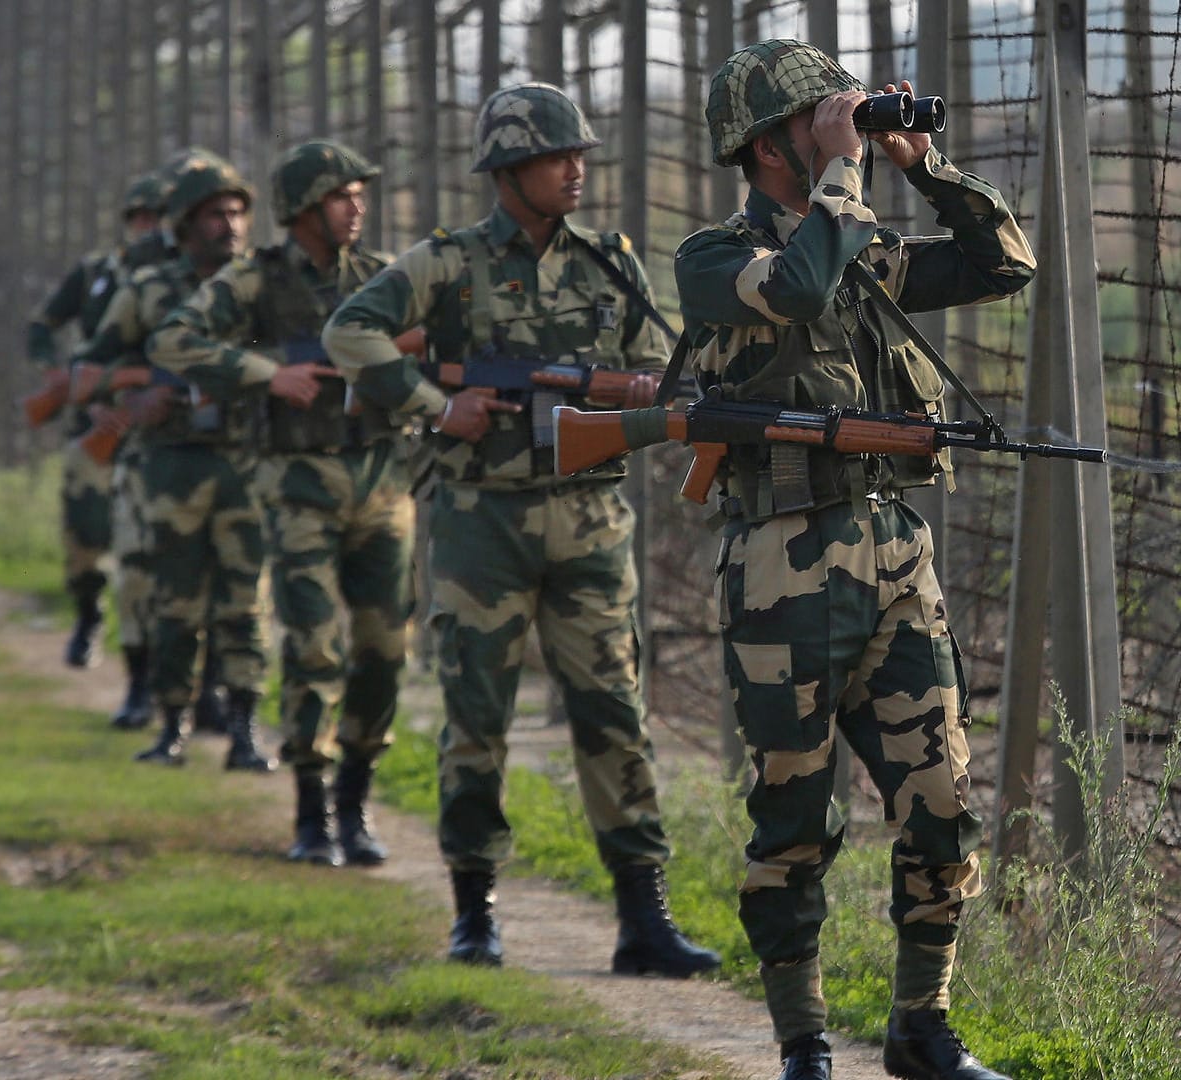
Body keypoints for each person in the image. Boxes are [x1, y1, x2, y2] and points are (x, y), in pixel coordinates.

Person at [678, 39, 1034, 1080]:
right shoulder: (714, 259)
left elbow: (1002, 264)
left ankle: (922, 1025)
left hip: (891, 557)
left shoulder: (862, 247)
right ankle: (801, 1040)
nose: (842, 132)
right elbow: (793, 291)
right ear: (766, 145)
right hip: (783, 566)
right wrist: (844, 171)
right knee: (794, 815)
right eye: (818, 119)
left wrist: (923, 167)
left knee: (941, 797)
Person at [322, 82, 719, 977]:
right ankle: (474, 913)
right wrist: (434, 406)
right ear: (509, 171)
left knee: (614, 714)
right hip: (479, 523)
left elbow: (652, 368)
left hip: (588, 521)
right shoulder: (448, 263)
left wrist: (640, 397)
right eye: (557, 156)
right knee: (476, 718)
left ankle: (642, 919)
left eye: (580, 154)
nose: (577, 169)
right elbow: (352, 332)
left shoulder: (611, 261)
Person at [151, 141, 410, 866]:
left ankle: (355, 804)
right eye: (341, 196)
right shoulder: (255, 282)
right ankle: (310, 813)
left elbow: (445, 344)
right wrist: (268, 374)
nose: (356, 207)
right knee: (311, 643)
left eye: (360, 195)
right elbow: (175, 341)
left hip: (381, 480)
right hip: (296, 484)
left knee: (384, 650)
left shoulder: (384, 277)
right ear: (303, 210)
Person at [77, 149, 273, 771]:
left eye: (239, 212)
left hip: (244, 462)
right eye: (216, 213)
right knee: (174, 605)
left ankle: (244, 730)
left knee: (245, 603)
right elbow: (90, 371)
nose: (232, 225)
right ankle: (171, 726)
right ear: (186, 222)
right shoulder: (148, 289)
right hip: (170, 465)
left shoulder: (264, 287)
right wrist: (139, 393)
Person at [27, 173, 172, 680]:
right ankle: (89, 617)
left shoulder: (177, 278)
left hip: (151, 419)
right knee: (85, 531)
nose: (149, 226)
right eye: (142, 217)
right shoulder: (95, 272)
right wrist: (58, 379)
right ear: (129, 220)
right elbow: (42, 325)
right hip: (93, 421)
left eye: (158, 217)